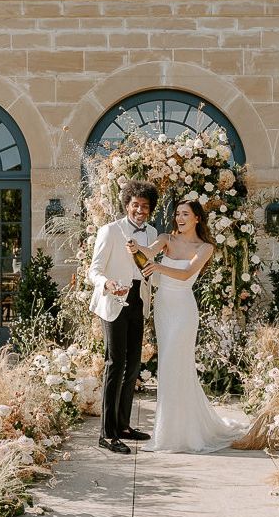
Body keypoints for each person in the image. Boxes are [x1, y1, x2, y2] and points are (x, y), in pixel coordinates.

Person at [126, 198, 245, 453]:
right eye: (177, 214)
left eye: (185, 214)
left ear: (197, 218)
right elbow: (147, 253)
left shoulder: (205, 248)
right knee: (168, 368)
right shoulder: (166, 238)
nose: (180, 218)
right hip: (164, 308)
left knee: (174, 363)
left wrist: (158, 267)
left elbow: (185, 274)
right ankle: (170, 432)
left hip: (183, 309)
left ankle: (182, 434)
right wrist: (137, 247)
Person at [89, 180, 159, 454]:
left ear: (150, 209)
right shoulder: (110, 230)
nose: (140, 210)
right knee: (115, 363)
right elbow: (93, 270)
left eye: (145, 206)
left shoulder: (152, 232)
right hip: (113, 300)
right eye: (135, 205)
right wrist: (106, 283)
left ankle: (123, 425)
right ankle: (106, 434)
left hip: (138, 301)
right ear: (127, 205)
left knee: (133, 366)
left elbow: (149, 267)